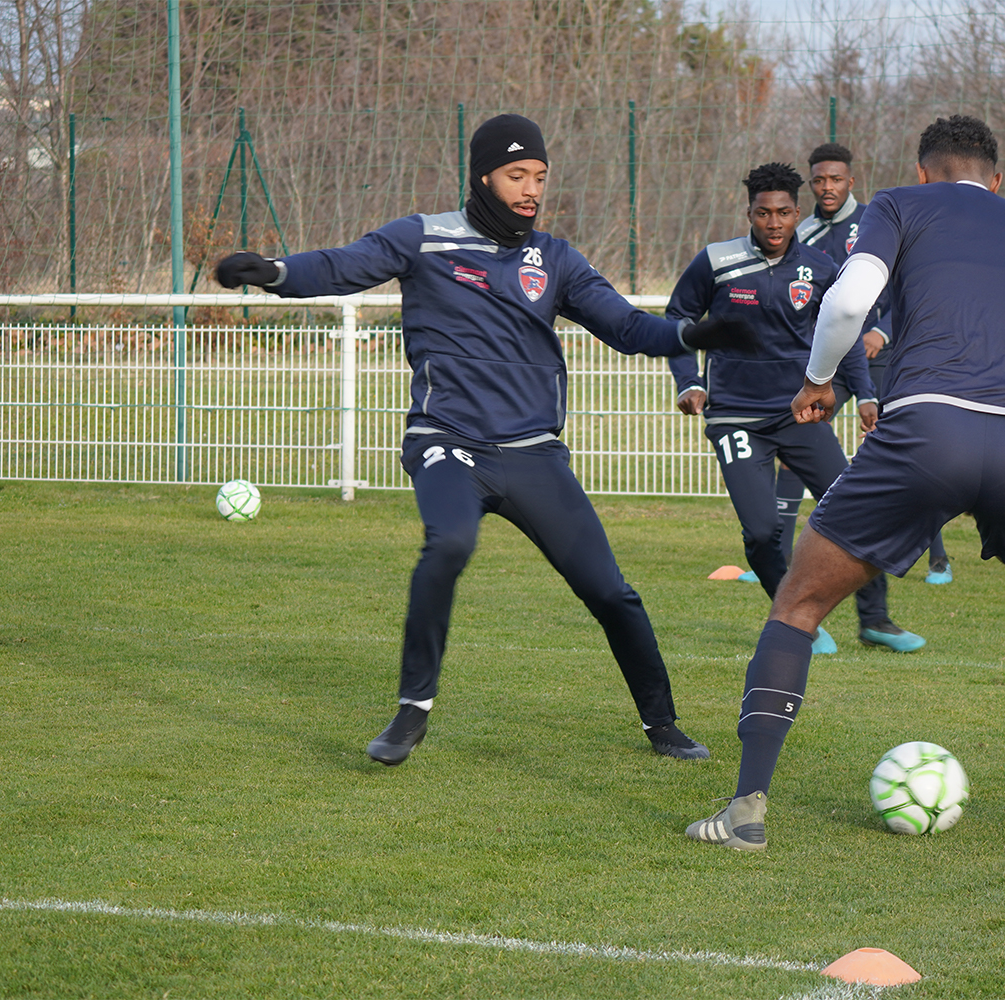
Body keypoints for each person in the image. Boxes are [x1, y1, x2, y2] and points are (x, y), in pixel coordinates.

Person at [216, 114, 752, 766]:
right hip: (449, 441)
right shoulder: (423, 237)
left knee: (611, 592)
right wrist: (273, 271)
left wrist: (694, 335)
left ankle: (662, 724)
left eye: (540, 177)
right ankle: (413, 711)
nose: (531, 190)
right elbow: (342, 266)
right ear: (483, 177)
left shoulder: (555, 259)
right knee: (449, 542)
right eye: (516, 176)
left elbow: (629, 329)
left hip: (533, 455)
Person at [686, 115, 1005, 851]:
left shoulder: (899, 206)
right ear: (996, 180)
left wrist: (816, 383)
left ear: (924, 169)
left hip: (925, 433)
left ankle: (746, 810)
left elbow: (845, 304)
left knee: (800, 603)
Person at [665, 162, 921, 656]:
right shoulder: (717, 262)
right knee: (762, 530)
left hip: (798, 413)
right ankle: (793, 618)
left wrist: (865, 393)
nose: (774, 223)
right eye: (764, 213)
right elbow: (678, 318)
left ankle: (876, 620)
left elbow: (841, 335)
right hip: (735, 416)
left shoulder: (822, 269)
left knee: (855, 509)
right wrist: (689, 381)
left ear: (796, 213)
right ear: (750, 214)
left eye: (783, 213)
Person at [790, 142, 953, 593]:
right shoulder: (800, 232)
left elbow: (911, 292)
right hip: (828, 363)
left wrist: (880, 333)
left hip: (882, 358)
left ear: (851, 182)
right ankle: (782, 550)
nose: (827, 187)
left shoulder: (879, 223)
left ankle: (936, 554)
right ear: (811, 182)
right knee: (798, 434)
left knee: (902, 450)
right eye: (819, 180)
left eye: (835, 179)